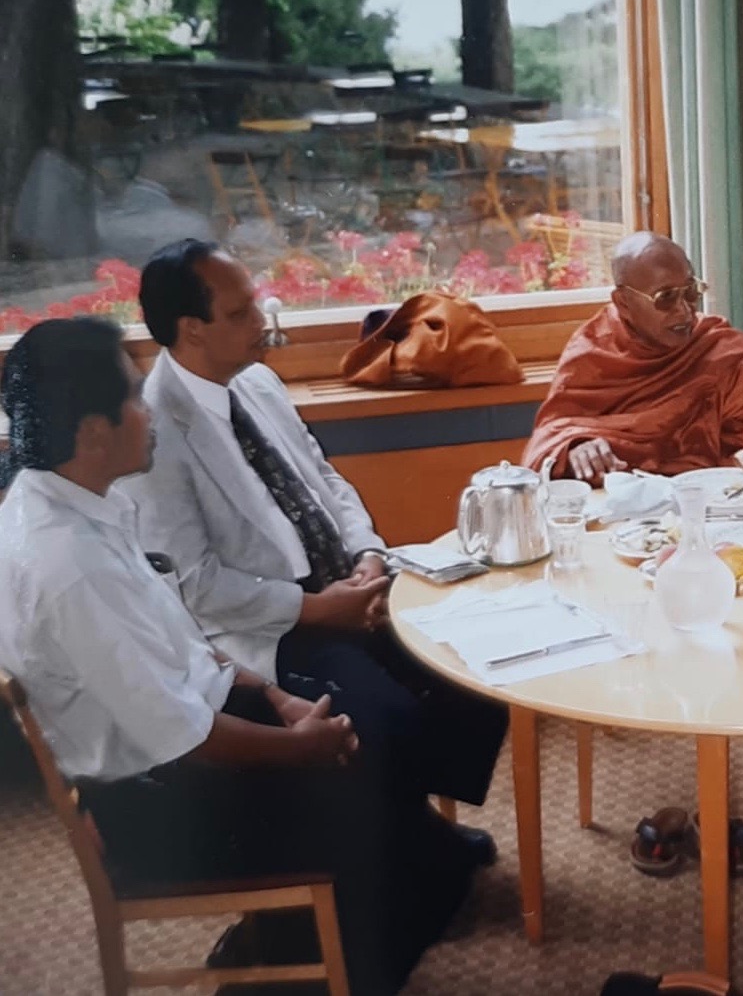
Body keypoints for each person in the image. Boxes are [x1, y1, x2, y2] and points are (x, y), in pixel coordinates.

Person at [0, 318, 470, 993]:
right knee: (361, 770)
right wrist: (299, 747)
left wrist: (274, 695)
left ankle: (334, 924)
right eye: (134, 397)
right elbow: (182, 737)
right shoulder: (69, 565)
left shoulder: (74, 503)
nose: (148, 411)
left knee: (370, 737)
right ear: (94, 432)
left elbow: (181, 643)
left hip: (181, 744)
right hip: (160, 806)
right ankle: (321, 969)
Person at [120, 239, 508, 842]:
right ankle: (412, 842)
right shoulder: (155, 431)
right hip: (273, 624)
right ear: (192, 330)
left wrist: (367, 557)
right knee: (387, 716)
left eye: (256, 303)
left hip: (347, 585)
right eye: (241, 313)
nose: (261, 322)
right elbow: (196, 585)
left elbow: (326, 481)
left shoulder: (257, 383)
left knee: (480, 669)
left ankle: (411, 821)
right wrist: (317, 609)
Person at [524, 231, 743, 483]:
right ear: (623, 303)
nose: (684, 310)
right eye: (665, 297)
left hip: (705, 500)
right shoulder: (593, 352)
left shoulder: (719, 350)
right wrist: (574, 448)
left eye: (690, 292)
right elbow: (550, 437)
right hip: (621, 505)